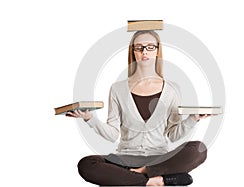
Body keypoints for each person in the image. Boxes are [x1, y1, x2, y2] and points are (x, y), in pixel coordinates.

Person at [67, 30, 211, 186]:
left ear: (158, 50)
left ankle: (139, 175)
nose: (144, 52)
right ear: (132, 51)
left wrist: (193, 119)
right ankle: (157, 181)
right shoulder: (117, 89)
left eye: (150, 47)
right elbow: (112, 134)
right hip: (125, 159)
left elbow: (173, 135)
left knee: (199, 149)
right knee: (87, 164)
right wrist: (90, 119)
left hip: (160, 159)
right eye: (139, 47)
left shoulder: (172, 89)